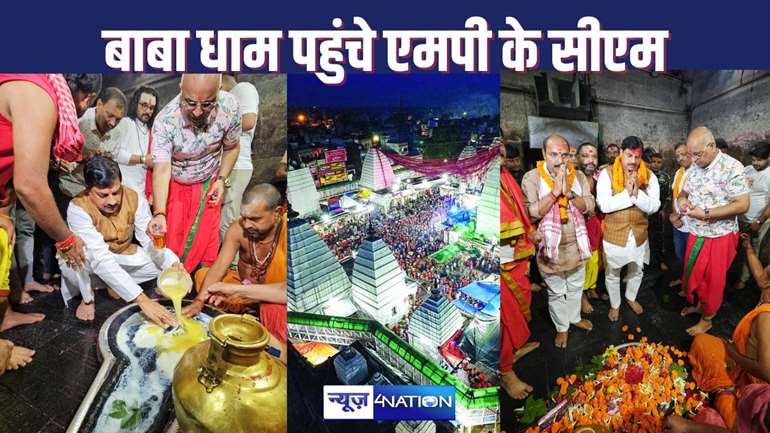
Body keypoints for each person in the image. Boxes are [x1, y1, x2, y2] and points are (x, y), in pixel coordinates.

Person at [0, 73, 99, 370]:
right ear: (78, 91)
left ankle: (3, 316)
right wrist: (66, 240)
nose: (82, 107)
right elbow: (30, 184)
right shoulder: (37, 90)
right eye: (86, 100)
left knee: (4, 242)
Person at [59, 156, 180, 326]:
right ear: (88, 190)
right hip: (93, 260)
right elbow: (100, 258)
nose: (112, 201)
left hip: (122, 254)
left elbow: (148, 240)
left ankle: (115, 284)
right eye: (103, 195)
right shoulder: (77, 207)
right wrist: (142, 300)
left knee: (160, 264)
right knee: (75, 259)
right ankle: (88, 298)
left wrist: (172, 263)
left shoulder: (134, 196)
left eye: (116, 192)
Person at [148, 74, 241, 273]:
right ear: (181, 87)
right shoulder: (165, 121)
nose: (198, 112)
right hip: (176, 186)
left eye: (207, 104)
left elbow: (232, 147)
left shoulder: (230, 107)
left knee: (206, 240)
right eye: (190, 103)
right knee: (173, 239)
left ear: (219, 91)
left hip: (209, 182)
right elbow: (162, 168)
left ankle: (201, 281)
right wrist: (160, 212)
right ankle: (171, 283)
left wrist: (222, 180)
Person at [681, 234, 770, 430]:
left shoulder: (767, 317)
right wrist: (748, 249)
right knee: (704, 342)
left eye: (766, 271)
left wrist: (733, 354)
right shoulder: (766, 289)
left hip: (753, 383)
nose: (762, 272)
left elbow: (766, 371)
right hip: (747, 362)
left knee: (720, 415)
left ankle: (726, 393)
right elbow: (759, 276)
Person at [184, 183, 287, 343]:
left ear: (277, 213)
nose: (247, 225)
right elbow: (219, 266)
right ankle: (247, 314)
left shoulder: (289, 235)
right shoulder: (238, 229)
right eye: (244, 217)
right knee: (203, 276)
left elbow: (288, 290)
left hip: (272, 298)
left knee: (273, 311)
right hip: (243, 289)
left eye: (254, 219)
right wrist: (198, 301)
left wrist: (239, 292)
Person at [521, 134, 595, 348]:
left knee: (575, 287)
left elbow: (590, 204)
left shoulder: (578, 176)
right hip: (550, 250)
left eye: (564, 155)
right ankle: (562, 327)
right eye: (554, 154)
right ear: (544, 154)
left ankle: (573, 318)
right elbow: (531, 213)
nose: (560, 160)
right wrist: (554, 193)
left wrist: (570, 194)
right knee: (556, 292)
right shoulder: (532, 178)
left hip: (577, 246)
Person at [679, 127, 749, 335]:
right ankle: (700, 305)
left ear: (711, 146)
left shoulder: (732, 167)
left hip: (720, 235)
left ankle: (708, 318)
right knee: (693, 273)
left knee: (712, 280)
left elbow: (742, 204)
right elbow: (684, 192)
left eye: (697, 154)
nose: (693, 159)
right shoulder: (694, 167)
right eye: (690, 155)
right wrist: (682, 201)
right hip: (696, 231)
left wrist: (707, 213)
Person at [597, 136, 660, 321]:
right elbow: (605, 206)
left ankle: (630, 297)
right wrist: (628, 194)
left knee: (637, 269)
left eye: (637, 156)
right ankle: (615, 304)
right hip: (614, 234)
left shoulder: (649, 176)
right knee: (613, 272)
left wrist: (636, 193)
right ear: (621, 153)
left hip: (639, 234)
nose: (633, 161)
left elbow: (654, 206)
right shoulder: (606, 174)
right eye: (629, 155)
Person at [499, 150, 538, 399]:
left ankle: (515, 348)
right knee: (503, 318)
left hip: (517, 256)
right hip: (502, 259)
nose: (502, 150)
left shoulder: (505, 175)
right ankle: (504, 372)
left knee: (518, 308)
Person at [59, 87, 128, 198]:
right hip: (67, 188)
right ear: (99, 104)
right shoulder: (78, 121)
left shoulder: (117, 133)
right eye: (110, 115)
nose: (113, 124)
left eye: (118, 119)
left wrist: (108, 161)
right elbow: (59, 159)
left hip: (95, 196)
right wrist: (83, 158)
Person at [220, 74, 259, 241]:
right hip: (227, 164)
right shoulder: (227, 96)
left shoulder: (243, 88)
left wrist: (215, 129)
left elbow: (249, 120)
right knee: (226, 216)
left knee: (228, 219)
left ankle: (234, 265)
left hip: (237, 164)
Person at [737, 141, 770, 290]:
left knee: (752, 249)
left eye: (759, 160)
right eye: (753, 159)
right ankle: (734, 274)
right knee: (739, 247)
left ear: (769, 157)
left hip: (759, 220)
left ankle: (745, 280)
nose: (755, 163)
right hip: (741, 218)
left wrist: (759, 220)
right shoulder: (747, 169)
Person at [115, 86, 157, 197]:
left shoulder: (152, 132)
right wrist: (143, 159)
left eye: (151, 108)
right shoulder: (125, 123)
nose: (148, 111)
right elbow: (115, 154)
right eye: (144, 105)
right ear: (135, 104)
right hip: (124, 191)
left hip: (142, 194)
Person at [576, 142, 603, 313]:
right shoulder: (572, 178)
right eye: (585, 156)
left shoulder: (600, 178)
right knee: (581, 262)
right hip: (578, 227)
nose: (590, 160)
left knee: (594, 260)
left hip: (595, 225)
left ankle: (591, 287)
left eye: (593, 156)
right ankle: (581, 296)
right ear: (577, 158)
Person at [669, 142, 693, 289]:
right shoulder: (679, 173)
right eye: (677, 155)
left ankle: (689, 287)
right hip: (678, 223)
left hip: (691, 225)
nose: (680, 158)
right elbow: (675, 196)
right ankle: (684, 280)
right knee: (680, 255)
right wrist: (673, 216)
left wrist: (678, 217)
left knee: (691, 259)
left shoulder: (696, 173)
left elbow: (694, 201)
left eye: (684, 154)